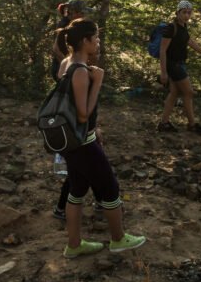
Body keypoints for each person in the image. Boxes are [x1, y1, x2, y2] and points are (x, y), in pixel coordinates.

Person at [56, 18, 145, 258]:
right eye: (95, 38)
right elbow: (83, 113)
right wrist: (98, 82)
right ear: (85, 41)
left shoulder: (65, 63)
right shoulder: (81, 71)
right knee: (110, 189)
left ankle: (74, 245)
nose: (98, 42)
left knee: (77, 189)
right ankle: (118, 239)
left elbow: (72, 107)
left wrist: (96, 129)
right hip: (83, 143)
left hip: (71, 142)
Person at [49, 0, 91, 220]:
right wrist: (71, 64)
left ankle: (105, 199)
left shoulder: (73, 28)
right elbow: (57, 50)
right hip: (68, 78)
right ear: (74, 12)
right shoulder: (66, 28)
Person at [157, 0, 201, 135]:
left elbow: (190, 42)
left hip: (179, 64)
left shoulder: (183, 28)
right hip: (173, 65)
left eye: (189, 13)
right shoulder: (171, 28)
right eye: (184, 12)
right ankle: (192, 125)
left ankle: (163, 123)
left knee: (174, 93)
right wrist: (163, 72)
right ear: (177, 13)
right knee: (188, 92)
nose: (187, 15)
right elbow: (162, 51)